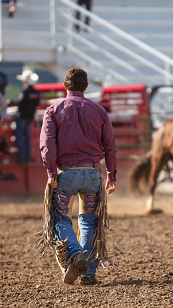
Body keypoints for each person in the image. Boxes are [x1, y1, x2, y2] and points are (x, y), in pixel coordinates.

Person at [39, 67, 117, 286]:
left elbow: (47, 144)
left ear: (65, 87)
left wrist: (51, 173)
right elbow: (110, 146)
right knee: (90, 221)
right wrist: (111, 175)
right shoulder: (99, 111)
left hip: (66, 174)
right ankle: (88, 273)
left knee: (59, 217)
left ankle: (74, 255)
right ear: (86, 87)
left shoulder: (53, 110)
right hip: (93, 175)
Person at [14, 69, 40, 164]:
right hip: (30, 117)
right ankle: (28, 158)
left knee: (20, 137)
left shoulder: (24, 91)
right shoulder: (35, 92)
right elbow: (37, 103)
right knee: (28, 138)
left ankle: (22, 158)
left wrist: (12, 102)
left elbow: (20, 103)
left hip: (22, 116)